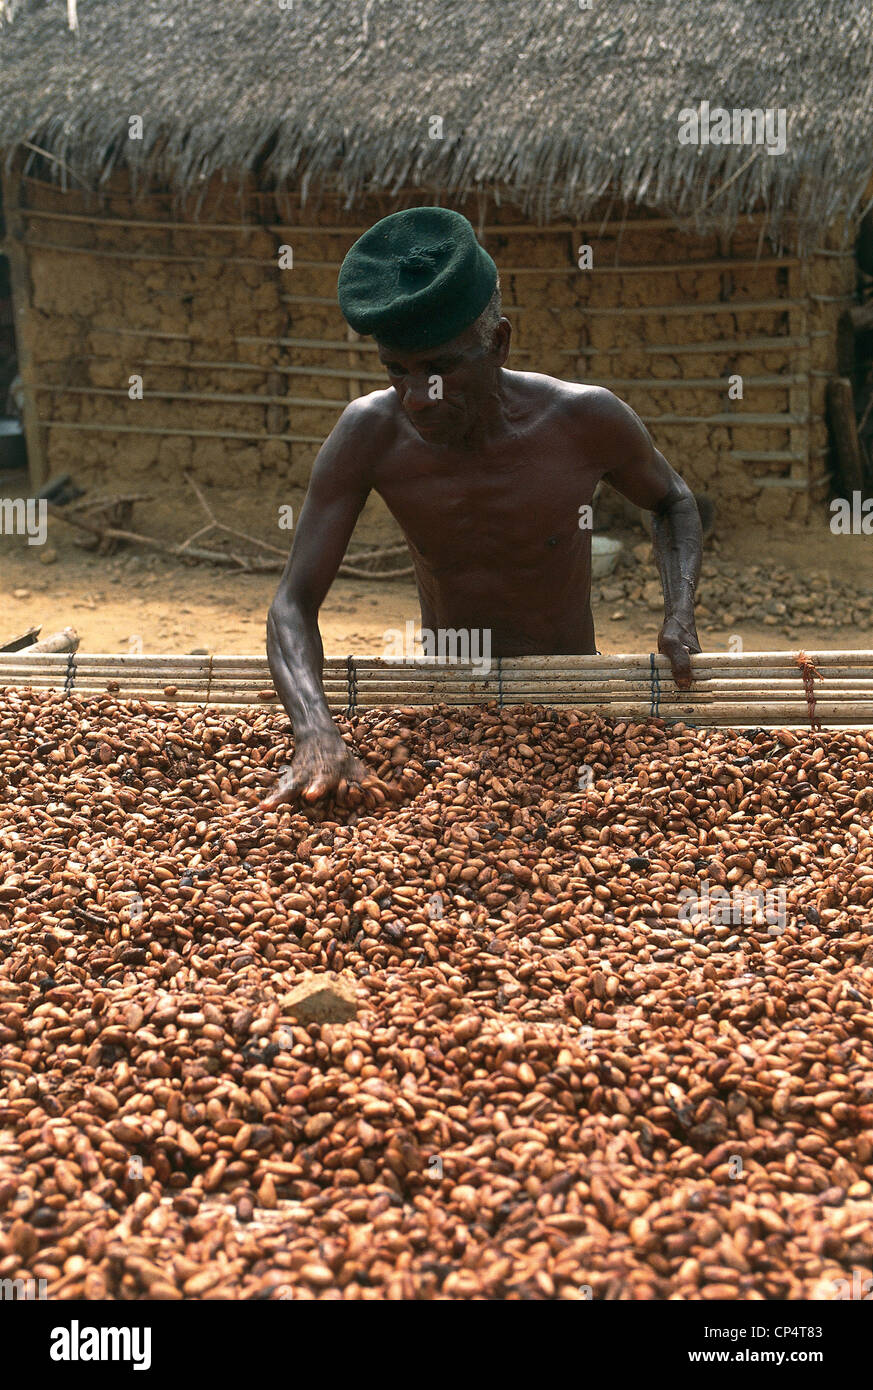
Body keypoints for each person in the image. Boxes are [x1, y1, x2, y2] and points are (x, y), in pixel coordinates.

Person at [263, 207, 701, 808]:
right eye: (398, 371)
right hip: (447, 711)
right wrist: (314, 729)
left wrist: (679, 612)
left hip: (571, 708)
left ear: (498, 343)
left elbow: (673, 501)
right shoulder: (370, 434)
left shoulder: (582, 421)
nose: (418, 399)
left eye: (440, 370)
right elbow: (292, 602)